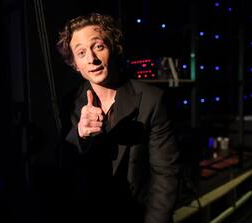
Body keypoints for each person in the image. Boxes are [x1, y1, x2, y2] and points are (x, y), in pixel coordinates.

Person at [56, 12, 180, 223]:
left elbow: (166, 176)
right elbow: (62, 173)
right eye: (81, 52)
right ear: (75, 64)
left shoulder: (151, 100)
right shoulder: (68, 104)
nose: (92, 59)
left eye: (98, 47)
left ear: (113, 47)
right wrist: (80, 136)